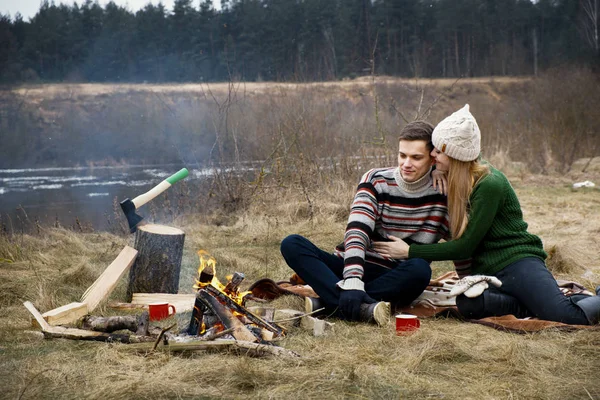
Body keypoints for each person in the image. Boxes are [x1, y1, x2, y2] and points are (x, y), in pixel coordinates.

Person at [373, 104, 600, 325]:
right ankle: (532, 305)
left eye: (438, 151)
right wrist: (435, 171)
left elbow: (465, 247)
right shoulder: (455, 175)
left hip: (517, 263)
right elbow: (419, 166)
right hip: (488, 272)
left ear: (454, 155)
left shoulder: (489, 184)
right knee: (468, 304)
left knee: (567, 315)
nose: (432, 154)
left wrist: (410, 251)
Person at [280, 121, 452, 325]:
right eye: (402, 155)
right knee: (292, 244)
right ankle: (357, 305)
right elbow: (357, 231)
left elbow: (463, 240)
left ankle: (329, 304)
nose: (406, 163)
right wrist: (352, 280)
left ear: (432, 158)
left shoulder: (444, 190)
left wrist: (451, 172)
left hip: (395, 276)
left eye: (416, 157)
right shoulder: (375, 180)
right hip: (352, 264)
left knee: (420, 270)